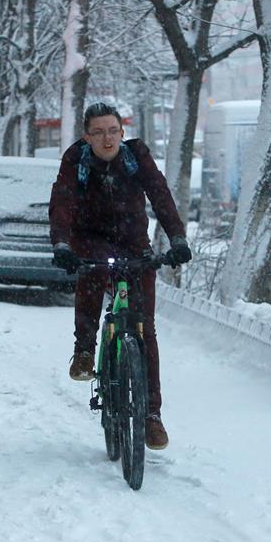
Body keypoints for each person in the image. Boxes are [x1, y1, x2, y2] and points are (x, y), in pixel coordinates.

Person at [48, 103, 192, 450]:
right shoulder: (75, 161)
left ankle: (152, 417)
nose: (106, 138)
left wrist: (177, 238)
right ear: (87, 136)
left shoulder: (135, 157)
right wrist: (63, 244)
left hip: (133, 241)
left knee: (145, 326)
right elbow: (62, 202)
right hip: (90, 238)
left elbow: (160, 194)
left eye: (112, 130)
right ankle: (84, 350)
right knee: (92, 274)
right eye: (98, 132)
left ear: (122, 132)